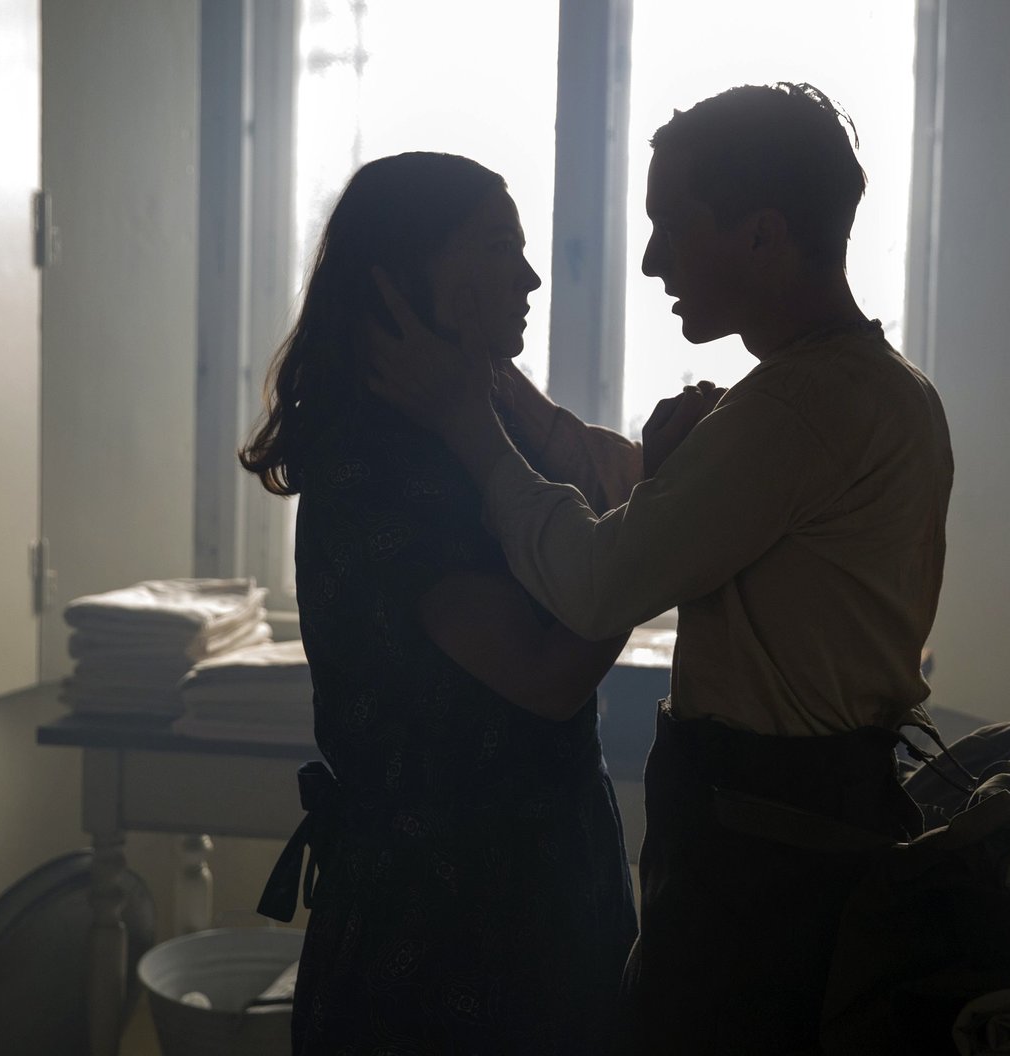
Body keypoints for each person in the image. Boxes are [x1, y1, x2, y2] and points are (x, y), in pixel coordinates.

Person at [368, 84, 955, 1054]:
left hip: (769, 859)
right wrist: (491, 381)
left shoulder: (798, 408)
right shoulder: (867, 389)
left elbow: (600, 581)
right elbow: (659, 496)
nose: (649, 261)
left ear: (762, 235)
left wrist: (470, 425)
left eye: (670, 227)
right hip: (792, 834)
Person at [240, 152, 640, 1055]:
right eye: (499, 247)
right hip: (450, 924)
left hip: (525, 896)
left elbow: (595, 481)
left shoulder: (469, 433)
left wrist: (491, 390)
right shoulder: (386, 466)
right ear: (406, 274)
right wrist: (643, 553)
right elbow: (545, 677)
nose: (530, 278)